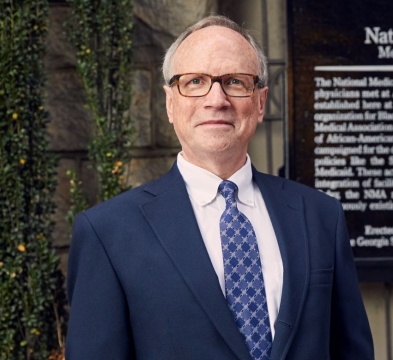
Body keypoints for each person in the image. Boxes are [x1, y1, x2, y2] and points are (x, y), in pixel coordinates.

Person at [66, 15, 374, 360]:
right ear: (170, 103)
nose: (217, 99)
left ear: (259, 102)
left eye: (235, 81)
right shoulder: (108, 232)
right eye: (195, 81)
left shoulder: (320, 215)